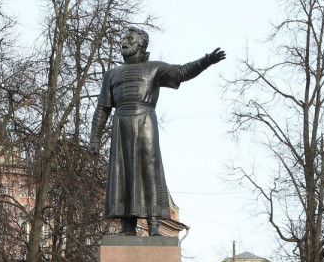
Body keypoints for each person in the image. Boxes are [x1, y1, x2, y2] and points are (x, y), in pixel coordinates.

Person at [89, 27, 225, 236]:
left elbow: (182, 72)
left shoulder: (154, 68)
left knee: (149, 170)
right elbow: (102, 108)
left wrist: (206, 61)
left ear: (141, 44)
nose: (124, 42)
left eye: (129, 39)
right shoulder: (111, 74)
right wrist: (94, 138)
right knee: (122, 172)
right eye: (123, 38)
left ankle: (154, 224)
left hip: (145, 122)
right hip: (121, 124)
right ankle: (127, 225)